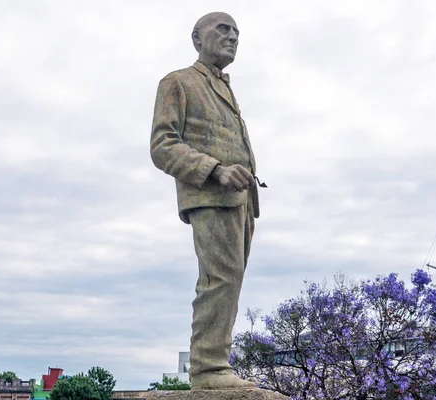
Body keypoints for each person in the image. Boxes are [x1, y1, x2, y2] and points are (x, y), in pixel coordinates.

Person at [150, 12, 260, 390]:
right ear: (197, 38)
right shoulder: (178, 82)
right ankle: (209, 369)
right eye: (223, 30)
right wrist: (215, 170)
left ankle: (217, 364)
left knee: (230, 281)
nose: (233, 37)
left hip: (242, 201)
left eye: (237, 33)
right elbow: (163, 145)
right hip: (211, 193)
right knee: (219, 279)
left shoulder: (227, 90)